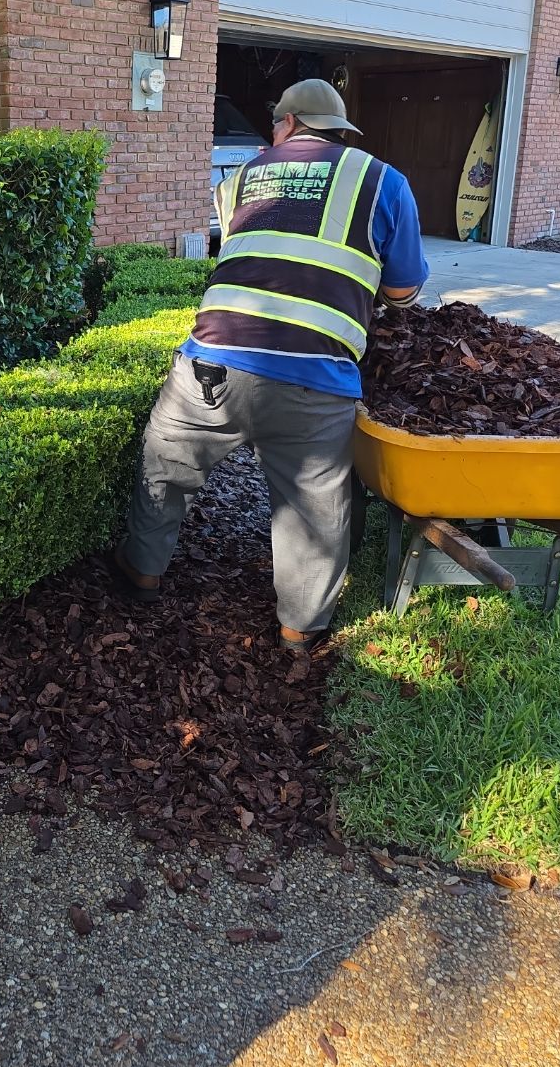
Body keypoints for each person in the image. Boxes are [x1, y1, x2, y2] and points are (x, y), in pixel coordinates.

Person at [112, 78, 428, 655]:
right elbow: (404, 290)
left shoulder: (236, 181)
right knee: (314, 508)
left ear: (285, 125)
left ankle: (141, 575)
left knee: (165, 468)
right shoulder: (383, 180)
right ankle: (298, 630)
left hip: (211, 367)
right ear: (336, 131)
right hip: (313, 381)